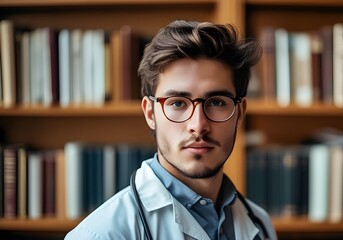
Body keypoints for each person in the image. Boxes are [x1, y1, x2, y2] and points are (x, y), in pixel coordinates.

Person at [65, 20, 277, 240]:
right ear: (150, 113)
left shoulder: (260, 224)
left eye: (216, 102)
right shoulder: (99, 235)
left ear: (239, 113)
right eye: (177, 103)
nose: (198, 125)